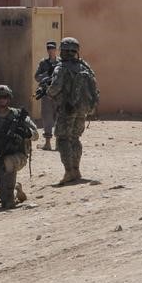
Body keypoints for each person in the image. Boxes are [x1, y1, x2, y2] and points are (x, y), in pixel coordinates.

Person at [47, 37, 100, 185]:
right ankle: (76, 170)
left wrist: (48, 92)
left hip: (67, 108)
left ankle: (69, 171)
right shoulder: (84, 66)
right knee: (75, 138)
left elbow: (55, 88)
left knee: (63, 138)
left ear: (63, 51)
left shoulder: (61, 67)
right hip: (83, 109)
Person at [0, 85, 39, 209]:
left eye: (5, 97)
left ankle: (11, 198)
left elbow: (36, 134)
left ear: (9, 98)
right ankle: (16, 191)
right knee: (1, 187)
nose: (2, 100)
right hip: (0, 156)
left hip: (18, 155)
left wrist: (27, 133)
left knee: (8, 163)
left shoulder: (18, 115)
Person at [34, 40, 59, 151]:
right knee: (47, 117)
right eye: (49, 48)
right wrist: (47, 74)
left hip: (59, 94)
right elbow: (37, 77)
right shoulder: (43, 63)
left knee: (59, 117)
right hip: (46, 93)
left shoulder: (61, 63)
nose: (50, 50)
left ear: (56, 49)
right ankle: (47, 143)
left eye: (52, 48)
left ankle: (59, 143)